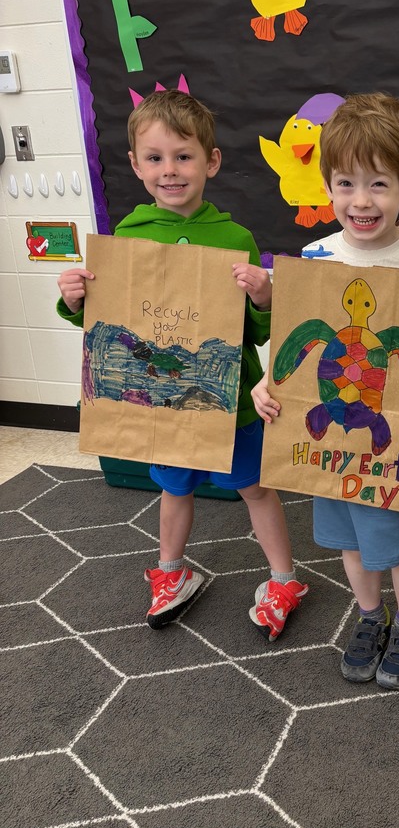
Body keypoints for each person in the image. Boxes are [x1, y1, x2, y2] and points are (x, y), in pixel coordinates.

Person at [56, 89, 308, 640]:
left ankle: (285, 577)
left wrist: (264, 296)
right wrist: (75, 299)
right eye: (155, 157)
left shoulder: (235, 238)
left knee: (255, 486)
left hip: (231, 396)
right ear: (135, 165)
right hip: (159, 403)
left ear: (211, 162)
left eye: (184, 156)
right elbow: (109, 327)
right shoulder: (126, 236)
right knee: (174, 486)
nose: (169, 170)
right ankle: (170, 571)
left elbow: (260, 330)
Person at [253, 92, 399, 689]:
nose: (361, 201)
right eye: (345, 184)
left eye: (377, 184)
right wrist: (271, 385)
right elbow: (296, 337)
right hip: (327, 441)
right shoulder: (314, 257)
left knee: (393, 545)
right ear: (327, 186)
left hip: (387, 439)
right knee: (345, 537)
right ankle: (369, 617)